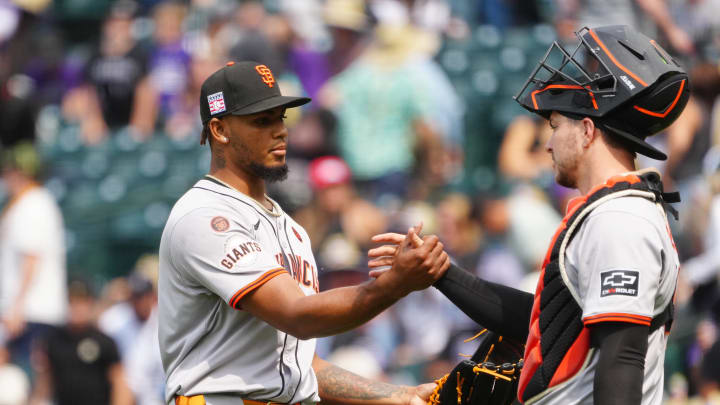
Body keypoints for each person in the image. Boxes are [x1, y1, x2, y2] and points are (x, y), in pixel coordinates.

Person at [370, 26, 689, 405]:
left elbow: (623, 355)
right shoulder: (610, 212)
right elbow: (546, 324)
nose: (548, 143)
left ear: (587, 131)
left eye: (554, 127)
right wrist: (442, 274)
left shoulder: (619, 220)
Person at [157, 61, 450, 405]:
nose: (280, 131)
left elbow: (300, 366)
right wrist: (395, 284)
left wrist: (396, 395)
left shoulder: (292, 229)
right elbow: (298, 316)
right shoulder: (205, 216)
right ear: (220, 130)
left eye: (280, 118)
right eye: (261, 121)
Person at [0, 142, 67, 377]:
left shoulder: (33, 204)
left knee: (23, 384)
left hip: (33, 313)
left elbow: (31, 258)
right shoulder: (26, 203)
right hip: (29, 313)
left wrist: (17, 307)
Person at [29, 279, 134, 405]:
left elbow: (120, 385)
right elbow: (45, 382)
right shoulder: (54, 340)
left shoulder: (104, 342)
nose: (77, 307)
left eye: (82, 301)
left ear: (90, 303)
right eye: (72, 301)